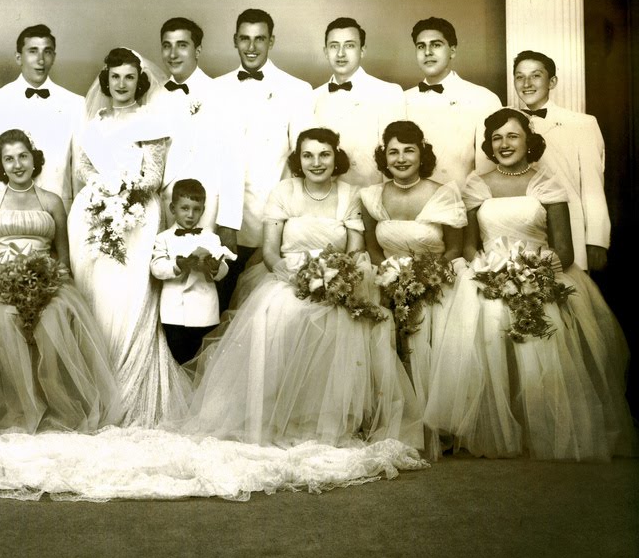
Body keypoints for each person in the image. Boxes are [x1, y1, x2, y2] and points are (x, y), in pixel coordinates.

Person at [185, 128, 423, 450]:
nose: (316, 162)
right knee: (283, 315)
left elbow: (354, 250)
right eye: (308, 155)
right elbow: (270, 251)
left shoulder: (350, 194)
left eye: (324, 154)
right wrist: (293, 278)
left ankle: (326, 421)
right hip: (290, 276)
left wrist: (336, 278)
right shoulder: (284, 191)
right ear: (298, 159)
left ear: (335, 157)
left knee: (344, 321)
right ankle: (278, 418)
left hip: (338, 278)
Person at [424, 110, 636, 461]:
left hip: (539, 273)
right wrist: (491, 271)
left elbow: (564, 250)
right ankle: (499, 427)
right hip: (489, 274)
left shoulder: (547, 184)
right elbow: (469, 245)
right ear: (490, 145)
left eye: (512, 136)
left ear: (528, 141)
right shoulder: (477, 184)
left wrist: (529, 274)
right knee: (489, 324)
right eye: (497, 138)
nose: (504, 144)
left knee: (545, 339)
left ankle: (544, 425)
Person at [67, 47, 192, 428]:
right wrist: (104, 190)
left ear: (140, 81)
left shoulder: (150, 121)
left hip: (138, 216)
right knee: (98, 297)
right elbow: (83, 168)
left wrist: (127, 191)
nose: (122, 84)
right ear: (106, 79)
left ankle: (132, 391)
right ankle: (98, 386)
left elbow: (155, 174)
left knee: (131, 298)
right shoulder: (93, 123)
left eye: (129, 77)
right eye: (116, 77)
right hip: (93, 214)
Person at [0, 129, 119, 433]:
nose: (17, 165)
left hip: (46, 280)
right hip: (2, 281)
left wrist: (47, 280)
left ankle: (54, 405)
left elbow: (62, 256)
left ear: (33, 158)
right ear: (0, 164)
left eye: (23, 156)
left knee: (52, 319)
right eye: (8, 159)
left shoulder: (51, 202)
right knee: (1, 318)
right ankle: (19, 407)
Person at [360, 121, 467, 458]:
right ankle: (390, 418)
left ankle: (434, 424)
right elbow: (372, 247)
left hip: (435, 279)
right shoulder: (372, 196)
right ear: (384, 157)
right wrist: (388, 274)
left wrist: (425, 277)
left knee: (429, 331)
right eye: (393, 151)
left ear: (422, 155)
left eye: (409, 150)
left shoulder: (442, 192)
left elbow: (454, 248)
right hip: (387, 278)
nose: (401, 158)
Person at [213, 8, 314, 311]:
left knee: (263, 309)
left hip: (273, 218)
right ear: (235, 41)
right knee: (219, 305)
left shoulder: (296, 90)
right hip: (223, 218)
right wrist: (221, 221)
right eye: (245, 39)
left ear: (272, 41)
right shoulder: (216, 89)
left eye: (260, 39)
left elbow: (303, 161)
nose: (252, 47)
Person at [496, 50, 610, 272]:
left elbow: (593, 186)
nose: (526, 83)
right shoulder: (504, 124)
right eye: (519, 77)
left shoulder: (582, 124)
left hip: (568, 234)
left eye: (536, 75)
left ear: (552, 81)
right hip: (521, 231)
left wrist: (596, 241)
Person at [154, 17, 243, 252]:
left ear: (198, 50)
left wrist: (228, 223)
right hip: (163, 210)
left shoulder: (221, 94)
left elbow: (233, 163)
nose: (173, 54)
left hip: (205, 212)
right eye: (167, 45)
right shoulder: (154, 96)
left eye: (182, 45)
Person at [0, 24, 83, 214]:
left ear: (54, 57)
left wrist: (78, 219)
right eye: (33, 51)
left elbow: (79, 170)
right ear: (18, 57)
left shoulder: (75, 104)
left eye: (47, 52)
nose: (40, 60)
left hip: (59, 212)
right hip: (7, 213)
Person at [402, 17, 502, 187]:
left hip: (463, 204)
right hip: (413, 206)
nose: (427, 52)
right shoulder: (401, 99)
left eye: (436, 45)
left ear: (453, 51)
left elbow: (489, 169)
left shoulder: (483, 99)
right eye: (421, 46)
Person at [312, 17, 406, 188]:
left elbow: (397, 158)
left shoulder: (388, 93)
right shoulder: (312, 97)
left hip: (371, 200)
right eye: (334, 46)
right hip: (326, 201)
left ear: (362, 50)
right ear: (325, 51)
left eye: (349, 45)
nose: (340, 54)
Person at [150, 178, 235, 364]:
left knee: (201, 361)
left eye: (196, 209)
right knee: (177, 359)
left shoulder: (211, 239)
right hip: (174, 312)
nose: (190, 215)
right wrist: (178, 265)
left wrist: (215, 267)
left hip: (205, 311)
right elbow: (156, 268)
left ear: (203, 211)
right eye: (184, 208)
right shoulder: (162, 238)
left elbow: (223, 270)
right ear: (173, 209)